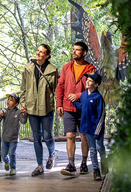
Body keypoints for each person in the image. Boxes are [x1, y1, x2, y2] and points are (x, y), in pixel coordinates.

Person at [58, 41, 97, 176]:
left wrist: (78, 95)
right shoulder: (66, 68)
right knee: (70, 135)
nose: (74, 52)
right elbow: (60, 86)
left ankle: (84, 163)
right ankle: (71, 164)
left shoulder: (91, 69)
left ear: (84, 53)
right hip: (68, 107)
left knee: (84, 136)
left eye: (77, 50)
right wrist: (59, 104)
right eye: (73, 49)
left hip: (85, 107)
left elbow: (93, 87)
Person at [20, 44, 59, 176]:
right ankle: (39, 165)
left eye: (41, 52)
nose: (38, 53)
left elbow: (56, 90)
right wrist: (23, 103)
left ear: (47, 55)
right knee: (36, 137)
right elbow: (23, 88)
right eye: (37, 51)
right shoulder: (28, 68)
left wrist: (59, 105)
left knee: (47, 136)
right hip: (31, 108)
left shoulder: (52, 70)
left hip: (46, 107)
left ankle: (52, 155)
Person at [73, 72, 106, 181]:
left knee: (100, 147)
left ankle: (104, 164)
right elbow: (82, 107)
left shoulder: (98, 97)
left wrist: (98, 130)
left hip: (97, 129)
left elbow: (101, 114)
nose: (87, 81)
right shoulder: (83, 95)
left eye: (90, 80)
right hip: (86, 128)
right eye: (87, 79)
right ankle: (96, 170)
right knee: (92, 150)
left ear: (96, 84)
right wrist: (74, 102)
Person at [0, 93, 26, 176]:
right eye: (8, 99)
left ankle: (13, 168)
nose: (8, 101)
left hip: (13, 138)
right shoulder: (4, 111)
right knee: (3, 154)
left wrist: (25, 113)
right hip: (5, 138)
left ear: (16, 104)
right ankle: (6, 162)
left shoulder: (18, 112)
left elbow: (23, 121)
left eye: (11, 100)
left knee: (11, 153)